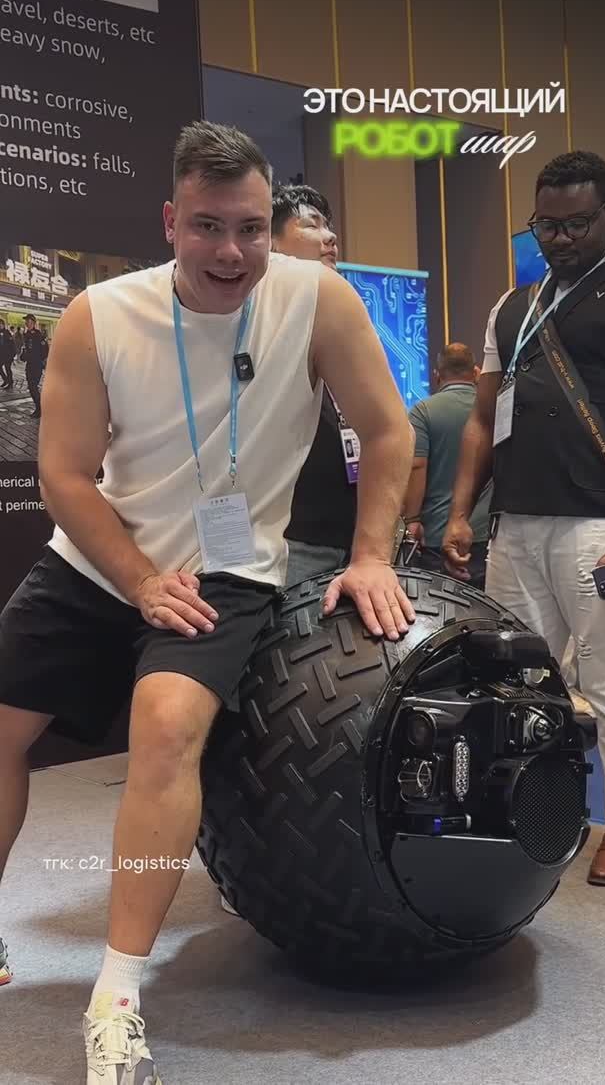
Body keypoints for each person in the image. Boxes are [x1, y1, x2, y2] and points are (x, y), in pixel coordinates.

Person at [0, 121, 416, 1083]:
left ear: (271, 223)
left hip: (228, 569)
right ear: (170, 222)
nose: (232, 252)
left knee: (166, 727)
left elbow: (388, 431)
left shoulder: (318, 299)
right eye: (207, 227)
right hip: (102, 557)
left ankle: (115, 996)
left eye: (251, 228)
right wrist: (140, 580)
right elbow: (64, 473)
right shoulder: (99, 314)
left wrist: (370, 556)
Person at [443, 150, 605, 886]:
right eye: (546, 225)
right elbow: (481, 417)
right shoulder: (513, 306)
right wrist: (459, 512)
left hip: (599, 521)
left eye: (577, 224)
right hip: (515, 522)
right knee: (516, 681)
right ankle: (525, 814)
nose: (560, 238)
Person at [269, 182, 358, 586]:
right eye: (311, 225)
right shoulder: (256, 324)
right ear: (270, 241)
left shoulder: (335, 317)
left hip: (346, 543)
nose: (330, 236)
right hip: (288, 543)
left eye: (329, 225)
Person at [404, 343, 491, 587]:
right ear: (476, 372)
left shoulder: (422, 411)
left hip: (438, 536)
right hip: (488, 535)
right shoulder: (492, 409)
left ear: (437, 375)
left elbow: (417, 466)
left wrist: (412, 519)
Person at [21, 313, 48, 418]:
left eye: (28, 321)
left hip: (36, 365)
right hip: (29, 365)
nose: (27, 323)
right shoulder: (27, 335)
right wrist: (24, 356)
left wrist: (40, 360)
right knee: (31, 387)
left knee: (33, 387)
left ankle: (40, 409)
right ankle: (39, 408)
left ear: (33, 323)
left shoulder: (38, 335)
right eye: (26, 322)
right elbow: (27, 349)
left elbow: (45, 350)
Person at [0, 319, 15, 389]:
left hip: (8, 355)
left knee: (8, 368)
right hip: (2, 355)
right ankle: (6, 380)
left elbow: (12, 344)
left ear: (3, 325)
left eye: (0, 324)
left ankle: (10, 383)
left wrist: (12, 355)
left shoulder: (7, 333)